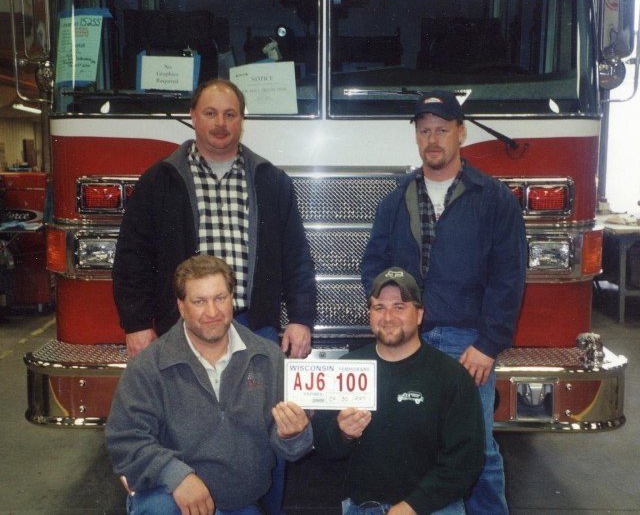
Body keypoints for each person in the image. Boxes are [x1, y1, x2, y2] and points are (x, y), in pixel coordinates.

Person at [361, 91, 527, 514]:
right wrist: (393, 322)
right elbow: (373, 268)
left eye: (441, 129)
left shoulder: (493, 199)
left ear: (461, 133)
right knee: (411, 443)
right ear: (416, 137)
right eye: (424, 131)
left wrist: (488, 345)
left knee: (478, 449)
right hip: (408, 346)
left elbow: (509, 279)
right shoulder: (395, 200)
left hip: (465, 347)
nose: (432, 139)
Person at [112, 78, 316, 360]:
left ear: (241, 121)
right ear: (193, 117)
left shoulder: (271, 182)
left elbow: (297, 257)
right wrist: (136, 324)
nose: (220, 122)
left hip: (255, 328)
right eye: (210, 113)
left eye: (230, 114)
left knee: (259, 405)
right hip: (183, 330)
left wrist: (301, 319)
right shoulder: (159, 181)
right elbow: (132, 258)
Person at [105, 255, 314, 515]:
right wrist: (176, 476)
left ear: (232, 298)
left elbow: (291, 448)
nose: (213, 312)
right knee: (160, 508)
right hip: (171, 497)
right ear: (181, 307)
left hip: (240, 504)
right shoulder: (149, 366)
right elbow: (125, 439)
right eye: (199, 302)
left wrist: (292, 435)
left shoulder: (268, 357)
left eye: (220, 298)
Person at [312, 267, 485, 515]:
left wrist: (412, 506)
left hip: (433, 507)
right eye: (379, 307)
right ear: (370, 314)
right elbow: (323, 448)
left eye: (400, 307)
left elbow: (465, 462)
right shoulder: (345, 370)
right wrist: (342, 434)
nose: (388, 316)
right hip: (363, 507)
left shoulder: (451, 377)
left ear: (419, 315)